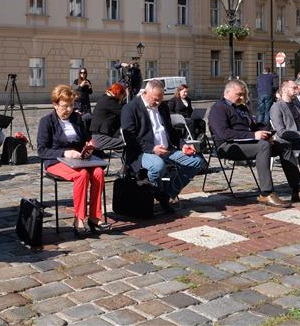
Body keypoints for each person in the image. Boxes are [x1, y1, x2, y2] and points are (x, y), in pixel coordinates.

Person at [208, 79, 300, 208]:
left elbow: (253, 127)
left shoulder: (241, 108)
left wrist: (265, 133)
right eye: (239, 94)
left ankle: (298, 190)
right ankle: (266, 193)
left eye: (243, 95)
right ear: (228, 92)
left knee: (284, 145)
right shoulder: (218, 108)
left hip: (248, 143)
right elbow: (223, 133)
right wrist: (253, 135)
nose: (241, 97)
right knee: (263, 146)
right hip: (228, 146)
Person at [121, 79, 204, 213]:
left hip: (167, 149)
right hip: (142, 152)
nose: (158, 102)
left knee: (196, 162)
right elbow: (130, 138)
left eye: (160, 99)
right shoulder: (130, 108)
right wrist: (152, 148)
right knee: (158, 165)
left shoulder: (162, 106)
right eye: (155, 99)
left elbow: (171, 131)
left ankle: (166, 194)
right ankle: (153, 194)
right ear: (145, 93)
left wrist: (183, 145)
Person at [38, 84, 110, 238]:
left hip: (79, 159)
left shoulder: (77, 118)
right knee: (82, 175)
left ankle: (94, 217)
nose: (69, 110)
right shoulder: (46, 122)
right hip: (56, 161)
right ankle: (79, 218)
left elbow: (85, 139)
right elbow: (42, 150)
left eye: (71, 105)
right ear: (55, 104)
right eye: (65, 106)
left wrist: (89, 146)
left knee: (98, 172)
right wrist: (65, 152)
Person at [89, 83, 127, 151]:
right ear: (119, 93)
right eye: (123, 96)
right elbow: (124, 112)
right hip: (100, 138)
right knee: (129, 142)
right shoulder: (109, 101)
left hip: (99, 136)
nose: (122, 98)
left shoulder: (105, 98)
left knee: (128, 143)